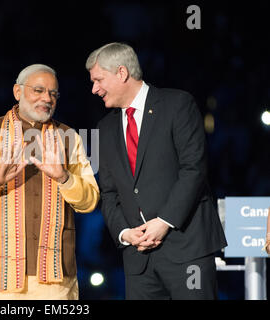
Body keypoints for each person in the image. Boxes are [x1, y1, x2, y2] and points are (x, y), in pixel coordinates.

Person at [86, 42, 227, 299]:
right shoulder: (103, 128)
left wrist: (164, 222)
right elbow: (108, 192)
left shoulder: (178, 104)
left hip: (186, 249)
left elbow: (193, 169)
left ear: (121, 73)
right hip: (138, 259)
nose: (94, 89)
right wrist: (124, 233)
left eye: (98, 80)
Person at [0, 64, 99, 300]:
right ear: (17, 92)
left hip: (55, 280)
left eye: (53, 93)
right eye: (38, 90)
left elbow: (90, 200)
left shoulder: (69, 137)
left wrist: (64, 177)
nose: (47, 98)